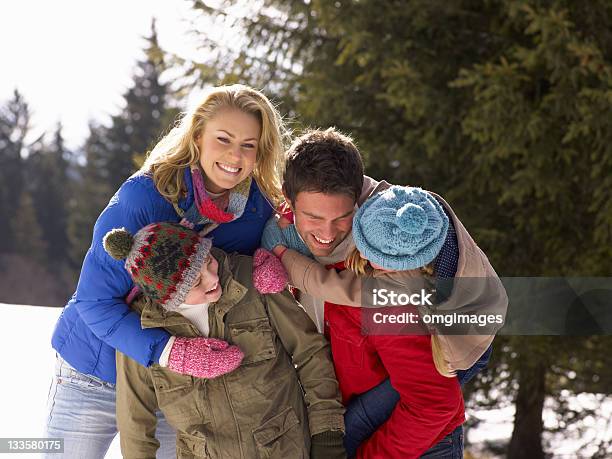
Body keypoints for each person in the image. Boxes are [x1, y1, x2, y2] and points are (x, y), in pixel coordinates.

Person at [45, 84, 288, 458]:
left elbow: (240, 270)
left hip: (169, 389)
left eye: (248, 144)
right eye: (223, 139)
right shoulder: (146, 197)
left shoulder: (255, 209)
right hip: (93, 371)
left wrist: (266, 261)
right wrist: (171, 352)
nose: (234, 155)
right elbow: (95, 301)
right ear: (197, 136)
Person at [260, 128, 508, 457]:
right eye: (313, 217)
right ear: (288, 204)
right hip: (366, 423)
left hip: (414, 444)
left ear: (358, 204)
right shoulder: (291, 239)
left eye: (342, 217)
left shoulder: (383, 268)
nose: (326, 232)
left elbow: (433, 404)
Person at [103, 222, 345, 458]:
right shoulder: (142, 329)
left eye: (208, 260)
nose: (212, 279)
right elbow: (135, 419)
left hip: (284, 448)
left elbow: (309, 351)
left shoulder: (251, 279)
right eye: (196, 282)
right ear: (168, 298)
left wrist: (327, 433)